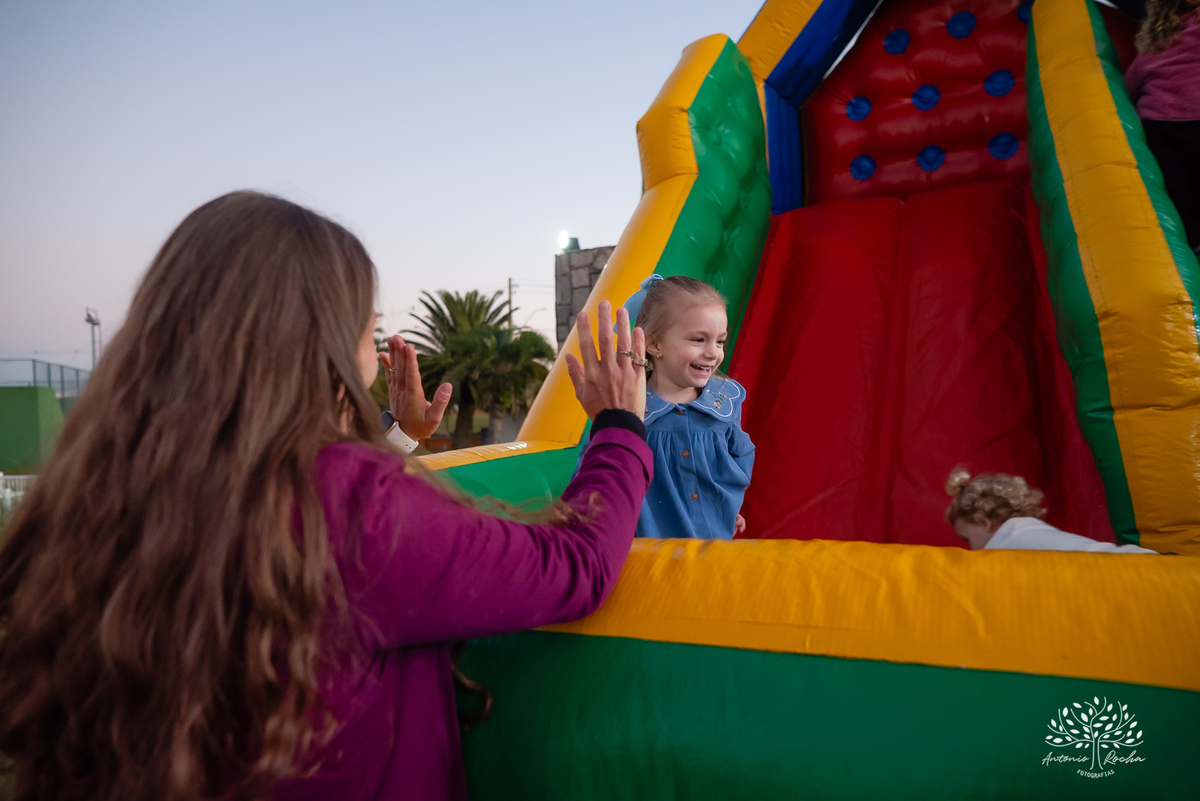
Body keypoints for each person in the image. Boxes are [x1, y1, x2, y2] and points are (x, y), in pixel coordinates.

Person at [0, 191, 651, 801]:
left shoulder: (102, 486)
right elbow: (575, 564)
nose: (370, 355)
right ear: (322, 343)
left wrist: (397, 439)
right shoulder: (349, 507)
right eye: (369, 330)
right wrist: (619, 423)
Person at [611, 274, 754, 539]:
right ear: (655, 344)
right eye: (698, 340)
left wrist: (727, 504)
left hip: (713, 543)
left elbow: (739, 457)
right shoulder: (631, 409)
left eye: (719, 341)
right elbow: (608, 468)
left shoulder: (723, 402)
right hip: (653, 549)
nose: (713, 353)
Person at [1125, 0, 1200, 252]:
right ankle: (1191, 243)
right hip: (1175, 123)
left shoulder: (1156, 37)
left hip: (1160, 122)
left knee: (1177, 188)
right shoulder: (1160, 36)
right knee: (1179, 188)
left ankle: (1190, 243)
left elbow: (1132, 80)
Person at [944, 469, 1156, 553]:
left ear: (984, 522)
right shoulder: (1023, 532)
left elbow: (1089, 553)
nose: (970, 548)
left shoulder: (1013, 537)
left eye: (967, 539)